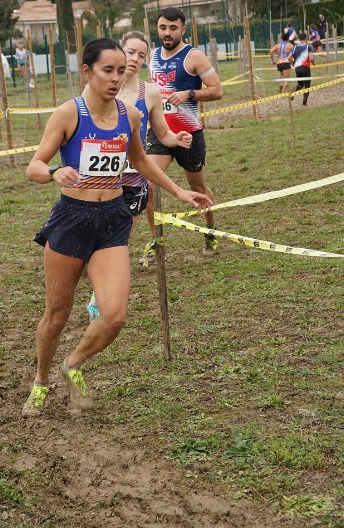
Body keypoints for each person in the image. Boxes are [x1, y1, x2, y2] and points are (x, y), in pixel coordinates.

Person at [22, 38, 212, 416]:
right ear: (87, 71)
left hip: (112, 219)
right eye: (106, 70)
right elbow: (34, 166)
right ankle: (41, 380)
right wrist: (55, 172)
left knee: (115, 315)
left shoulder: (131, 115)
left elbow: (140, 162)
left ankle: (72, 364)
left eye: (120, 71)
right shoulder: (68, 114)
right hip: (72, 219)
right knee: (57, 315)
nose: (115, 78)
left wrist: (178, 191)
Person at [84, 30, 193, 319]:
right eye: (130, 52)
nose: (134, 59)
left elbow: (162, 133)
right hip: (100, 176)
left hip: (133, 177)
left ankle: (97, 297)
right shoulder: (101, 88)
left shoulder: (151, 93)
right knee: (93, 233)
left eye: (141, 55)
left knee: (119, 237)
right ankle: (88, 266)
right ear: (119, 51)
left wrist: (175, 139)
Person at [144, 7, 223, 259]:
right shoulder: (153, 56)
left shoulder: (194, 56)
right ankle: (156, 240)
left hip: (189, 134)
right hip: (160, 132)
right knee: (147, 186)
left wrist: (189, 93)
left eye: (173, 28)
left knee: (197, 186)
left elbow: (217, 91)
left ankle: (210, 231)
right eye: (162, 27)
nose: (167, 32)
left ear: (183, 29)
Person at [290, 30, 315, 106]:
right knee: (307, 86)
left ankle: (293, 92)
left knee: (300, 84)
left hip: (297, 68)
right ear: (306, 38)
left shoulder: (295, 47)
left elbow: (289, 58)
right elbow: (311, 58)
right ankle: (304, 103)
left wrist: (293, 63)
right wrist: (313, 63)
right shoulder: (308, 47)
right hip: (305, 68)